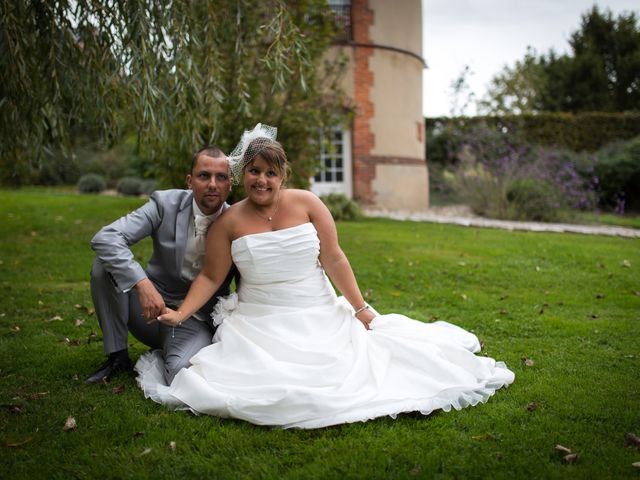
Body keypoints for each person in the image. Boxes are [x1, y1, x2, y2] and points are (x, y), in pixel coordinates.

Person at [136, 124, 514, 428]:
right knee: (234, 379)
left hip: (317, 311)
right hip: (259, 322)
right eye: (254, 171)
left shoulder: (309, 204)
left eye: (271, 172)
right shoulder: (229, 222)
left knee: (370, 364)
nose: (262, 180)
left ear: (284, 175)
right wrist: (182, 313)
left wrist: (361, 308)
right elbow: (209, 277)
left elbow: (333, 258)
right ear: (243, 174)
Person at [87, 146, 237, 384]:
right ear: (189, 181)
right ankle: (117, 357)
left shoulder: (239, 224)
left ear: (230, 184)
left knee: (181, 375)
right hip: (148, 311)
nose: (212, 184)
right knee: (103, 268)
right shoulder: (164, 204)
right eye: (203, 176)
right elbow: (106, 237)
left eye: (221, 177)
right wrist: (142, 284)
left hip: (194, 320)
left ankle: (174, 350)